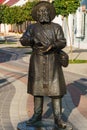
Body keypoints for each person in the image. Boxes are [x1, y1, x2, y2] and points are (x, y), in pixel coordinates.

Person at [20, 1, 68, 129]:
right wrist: (32, 40)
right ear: (37, 14)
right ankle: (37, 115)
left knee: (56, 91)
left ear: (49, 13)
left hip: (53, 61)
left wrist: (52, 45)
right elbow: (23, 40)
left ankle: (58, 118)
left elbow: (62, 41)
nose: (43, 13)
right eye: (40, 12)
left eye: (45, 11)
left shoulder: (56, 27)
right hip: (37, 61)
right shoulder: (32, 28)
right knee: (37, 89)